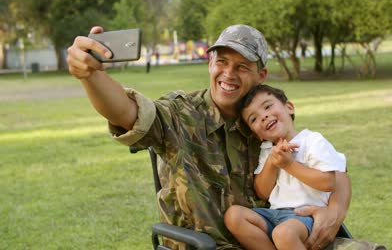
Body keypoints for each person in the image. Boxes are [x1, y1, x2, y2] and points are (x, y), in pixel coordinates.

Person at [66, 24, 351, 250]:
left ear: (261, 74)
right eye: (222, 61)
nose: (229, 73)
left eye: (242, 66)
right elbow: (127, 113)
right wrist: (91, 76)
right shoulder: (180, 113)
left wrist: (336, 210)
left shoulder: (264, 121)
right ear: (210, 63)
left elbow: (332, 169)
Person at [224, 84, 346, 250]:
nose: (263, 116)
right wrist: (272, 163)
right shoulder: (267, 151)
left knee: (284, 234)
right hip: (274, 214)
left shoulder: (312, 141)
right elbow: (262, 192)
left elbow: (328, 182)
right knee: (234, 216)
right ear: (257, 135)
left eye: (268, 106)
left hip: (304, 215)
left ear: (289, 107)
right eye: (254, 118)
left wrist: (288, 165)